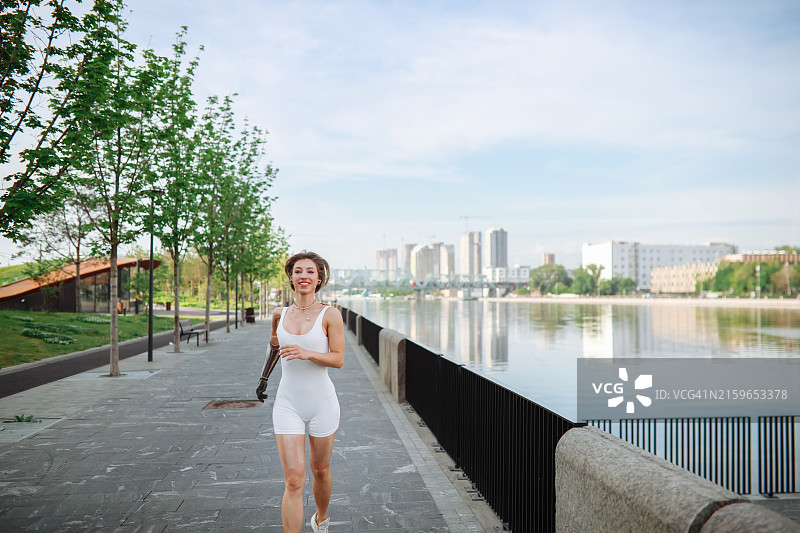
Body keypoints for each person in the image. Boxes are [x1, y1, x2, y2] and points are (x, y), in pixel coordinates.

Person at [265, 251, 344, 533]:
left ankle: (321, 518)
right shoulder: (279, 314)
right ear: (290, 276)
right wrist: (263, 378)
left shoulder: (330, 314)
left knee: (320, 470)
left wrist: (307, 352)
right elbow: (274, 344)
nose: (304, 277)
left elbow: (338, 359)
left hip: (322, 403)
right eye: (298, 271)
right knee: (294, 480)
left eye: (310, 272)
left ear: (319, 278)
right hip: (287, 403)